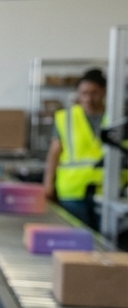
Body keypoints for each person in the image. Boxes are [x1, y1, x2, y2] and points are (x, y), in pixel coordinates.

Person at [43, 68, 119, 229]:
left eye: (94, 93)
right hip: (72, 191)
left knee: (107, 243)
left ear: (105, 92)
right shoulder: (65, 117)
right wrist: (48, 184)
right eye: (83, 93)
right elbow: (54, 153)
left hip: (108, 190)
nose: (88, 98)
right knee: (77, 241)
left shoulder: (117, 118)